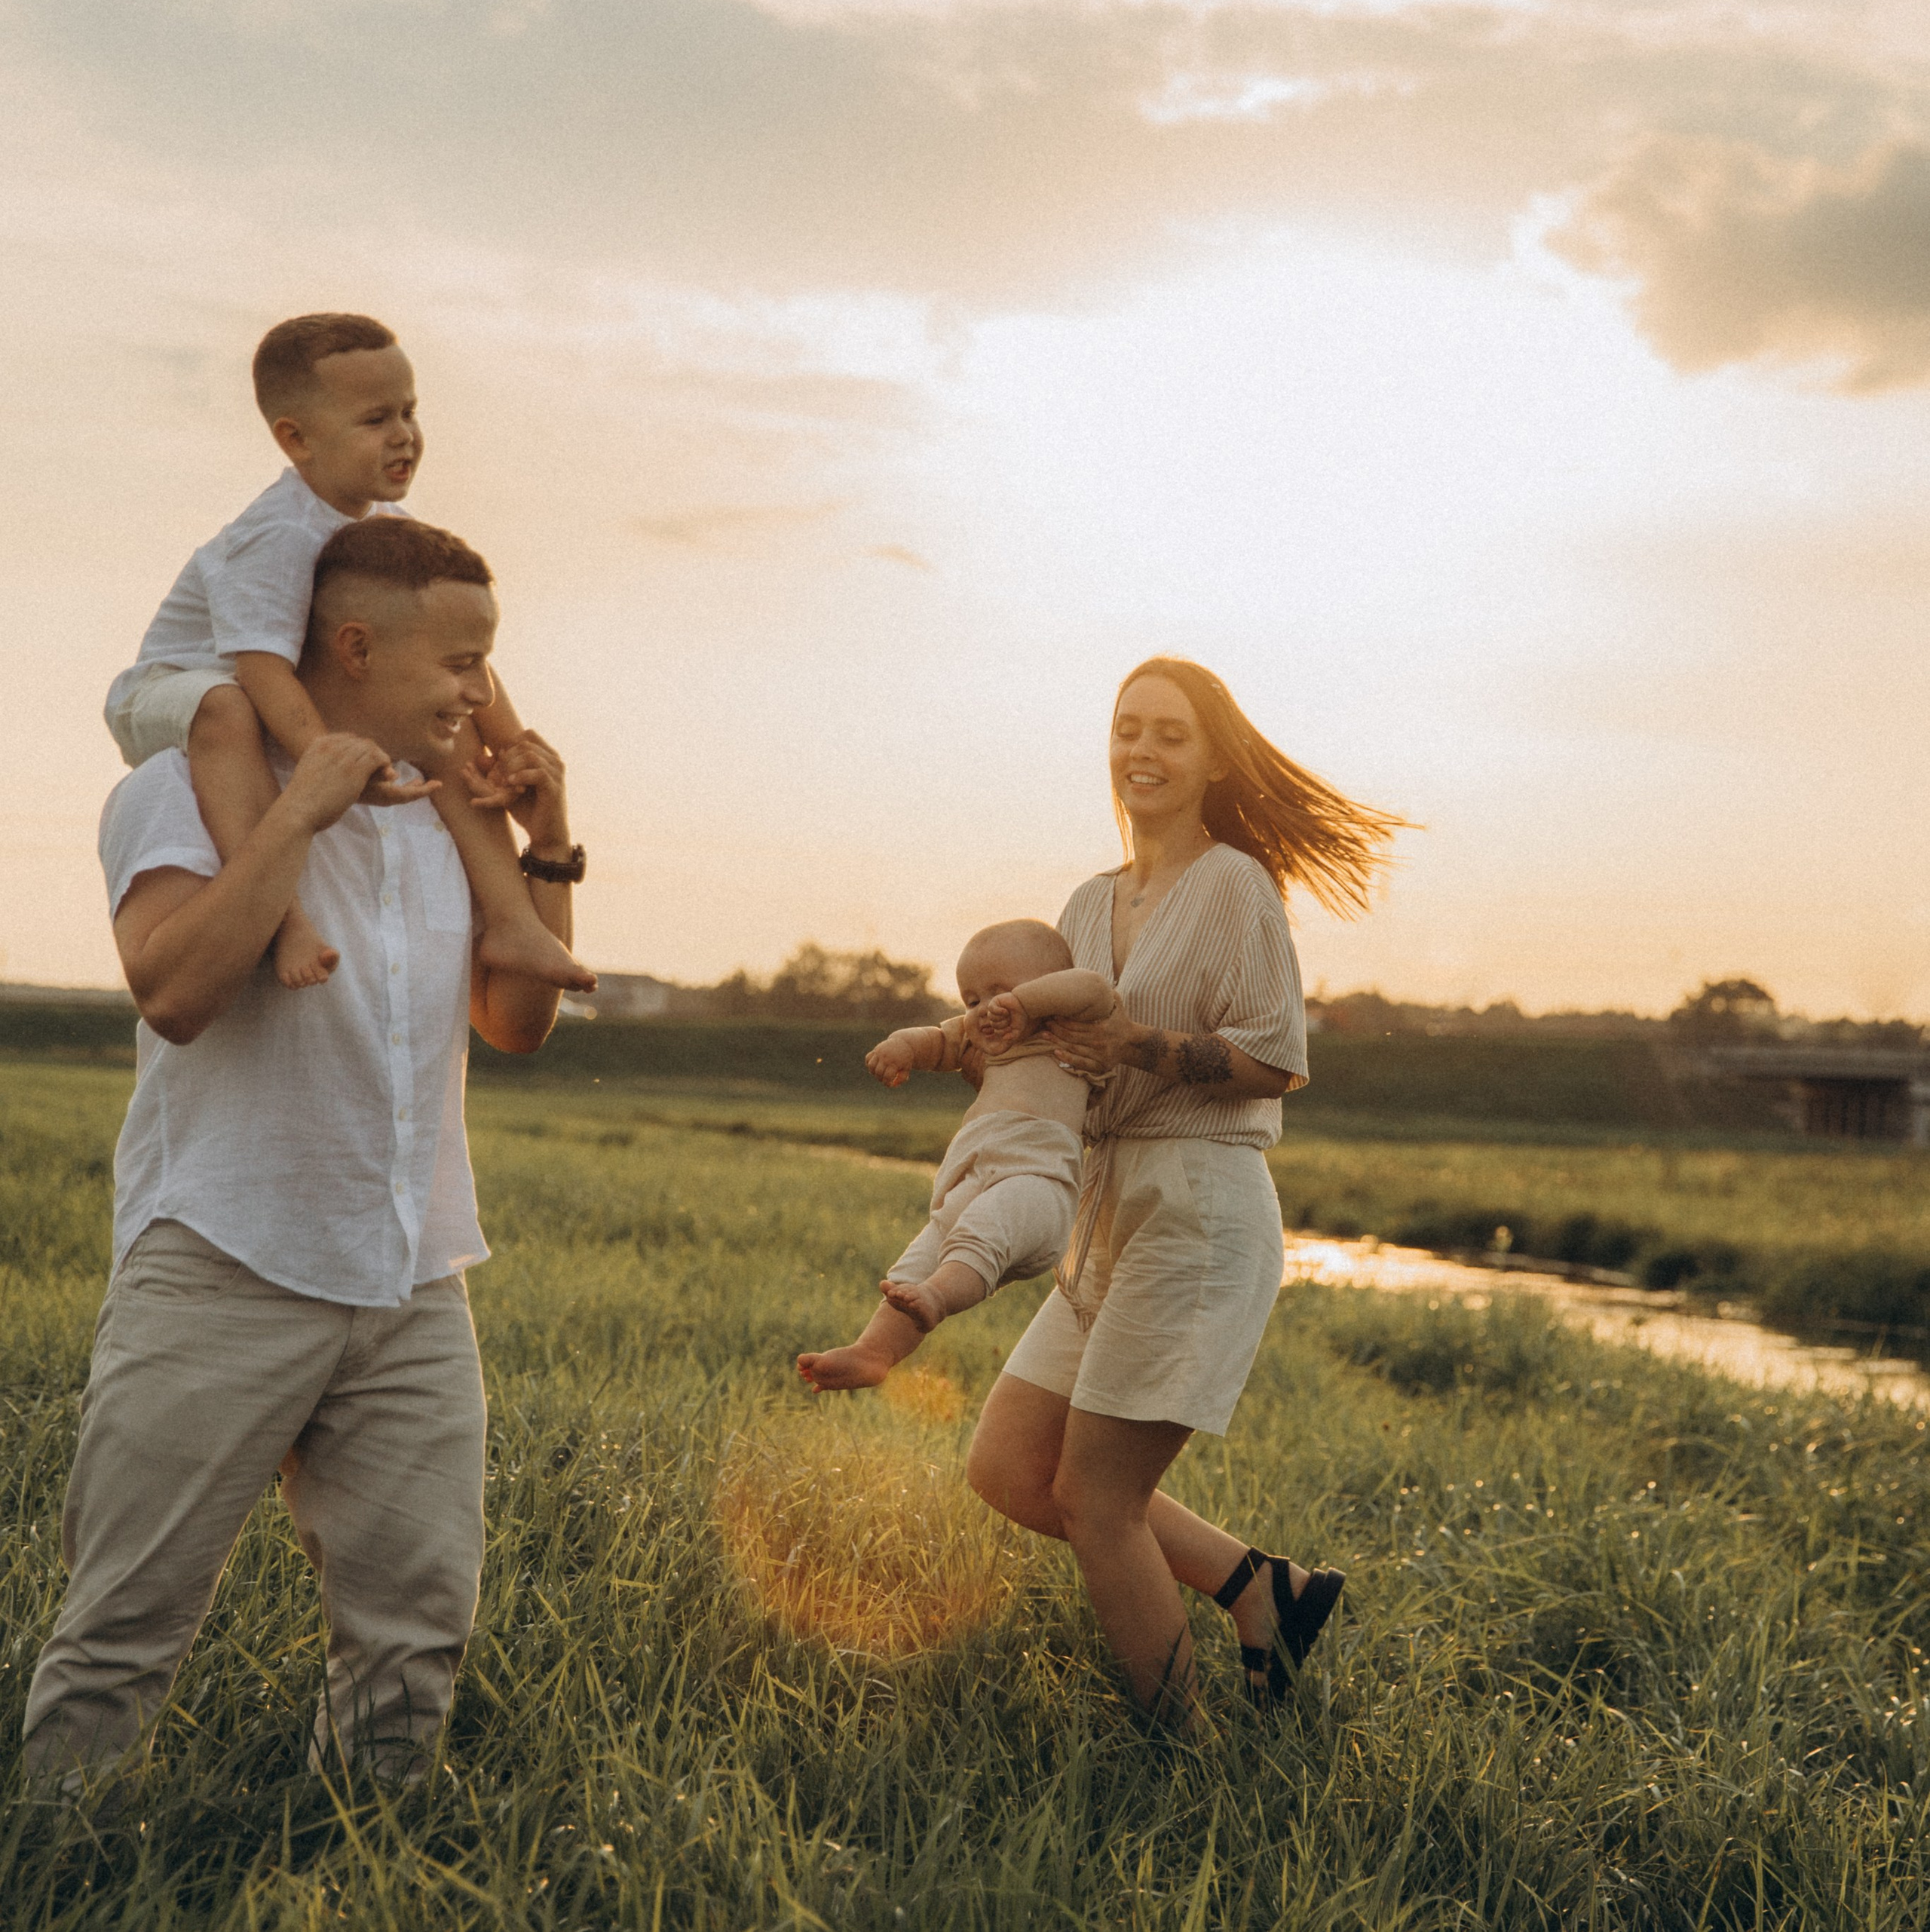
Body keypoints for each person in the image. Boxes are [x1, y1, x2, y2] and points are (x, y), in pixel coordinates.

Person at [23, 517, 585, 1786]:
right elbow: (173, 990)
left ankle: (363, 1858)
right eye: (458, 663)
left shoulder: (458, 819)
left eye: (485, 664)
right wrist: (302, 815)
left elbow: (517, 1023)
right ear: (352, 645)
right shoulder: (176, 789)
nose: (479, 693)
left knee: (413, 1636)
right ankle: (54, 1866)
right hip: (222, 1263)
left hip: (412, 1276)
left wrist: (551, 844)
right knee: (122, 1631)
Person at [963, 656, 1406, 1728]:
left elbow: (1277, 1058)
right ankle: (1266, 1592)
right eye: (1127, 729)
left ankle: (1178, 1753)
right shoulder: (1085, 898)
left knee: (1096, 1497)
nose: (1142, 752)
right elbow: (1068, 1061)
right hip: (1104, 1209)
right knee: (1011, 1465)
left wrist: (1139, 1042)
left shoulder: (1235, 883)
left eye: (1169, 733)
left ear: (1212, 759)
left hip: (1199, 1206)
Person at [102, 311, 594, 995]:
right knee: (226, 711)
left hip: (250, 683)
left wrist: (508, 752)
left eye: (409, 412)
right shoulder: (272, 537)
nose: (405, 436)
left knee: (440, 721)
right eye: (375, 420)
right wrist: (328, 760)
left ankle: (513, 922)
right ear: (295, 438)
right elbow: (262, 670)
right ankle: (287, 921)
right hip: (175, 686)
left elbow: (455, 652)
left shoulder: (387, 525)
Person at [796, 920, 1114, 1392]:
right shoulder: (980, 1035)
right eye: (972, 999)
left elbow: (1094, 989)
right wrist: (901, 1047)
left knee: (978, 1233)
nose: (987, 1009)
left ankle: (939, 1299)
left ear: (1050, 985)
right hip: (973, 1181)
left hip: (1038, 1186)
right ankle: (874, 1352)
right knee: (919, 1262)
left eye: (1001, 992)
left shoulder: (1072, 1028)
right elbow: (939, 1041)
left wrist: (1027, 1005)